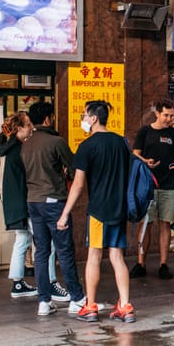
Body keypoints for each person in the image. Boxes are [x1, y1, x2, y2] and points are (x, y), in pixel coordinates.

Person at [57, 101, 135, 323]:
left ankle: (90, 306)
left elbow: (79, 185)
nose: (82, 119)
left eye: (84, 115)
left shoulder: (87, 146)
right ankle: (125, 306)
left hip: (98, 210)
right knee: (117, 257)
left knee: (94, 255)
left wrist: (64, 214)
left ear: (93, 118)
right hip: (119, 209)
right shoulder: (121, 143)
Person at [21, 101, 85, 316]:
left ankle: (44, 301)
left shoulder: (26, 144)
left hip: (33, 202)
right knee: (65, 251)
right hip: (54, 202)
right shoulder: (56, 141)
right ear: (48, 118)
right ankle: (76, 298)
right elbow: (74, 165)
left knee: (41, 252)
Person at [0, 111, 62, 299]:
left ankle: (18, 283)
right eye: (27, 125)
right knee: (45, 242)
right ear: (19, 129)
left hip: (15, 203)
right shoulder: (20, 150)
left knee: (23, 241)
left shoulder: (9, 149)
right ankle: (50, 282)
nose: (31, 128)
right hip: (26, 203)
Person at [130, 100, 174, 280]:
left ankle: (163, 264)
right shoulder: (145, 132)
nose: (169, 119)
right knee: (145, 224)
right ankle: (141, 263)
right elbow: (135, 153)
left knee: (165, 224)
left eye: (172, 116)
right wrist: (145, 161)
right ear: (157, 114)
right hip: (146, 187)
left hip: (169, 186)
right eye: (166, 115)